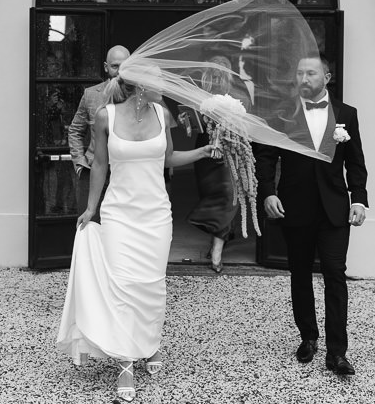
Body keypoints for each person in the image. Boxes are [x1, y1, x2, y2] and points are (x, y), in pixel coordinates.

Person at [56, 71, 213, 402]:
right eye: (159, 81)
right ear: (141, 85)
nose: (165, 87)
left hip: (156, 216)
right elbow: (99, 164)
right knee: (125, 287)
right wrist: (91, 208)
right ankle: (126, 362)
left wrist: (203, 152)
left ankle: (150, 343)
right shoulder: (105, 116)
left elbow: (168, 158)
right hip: (119, 214)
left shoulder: (162, 113)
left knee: (152, 285)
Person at [255, 54, 369, 376]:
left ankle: (337, 352)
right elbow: (264, 156)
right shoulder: (283, 114)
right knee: (300, 275)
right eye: (300, 73)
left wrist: (359, 200)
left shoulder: (348, 114)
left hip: (335, 210)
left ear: (327, 77)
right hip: (296, 206)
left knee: (335, 273)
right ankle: (308, 337)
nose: (304, 78)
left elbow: (356, 162)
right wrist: (269, 192)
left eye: (311, 73)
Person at [184, 54, 252, 273]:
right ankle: (218, 239)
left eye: (220, 73)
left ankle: (217, 250)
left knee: (228, 196)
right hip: (205, 151)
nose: (216, 77)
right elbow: (191, 125)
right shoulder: (199, 94)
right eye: (212, 73)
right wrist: (187, 121)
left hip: (230, 151)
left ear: (229, 75)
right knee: (213, 195)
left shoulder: (239, 96)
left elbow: (247, 124)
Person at [67, 45, 130, 216]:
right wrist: (79, 163)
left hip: (125, 173)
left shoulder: (137, 96)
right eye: (115, 66)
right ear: (106, 67)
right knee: (89, 228)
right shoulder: (91, 94)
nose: (119, 71)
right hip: (92, 170)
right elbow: (75, 131)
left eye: (124, 66)